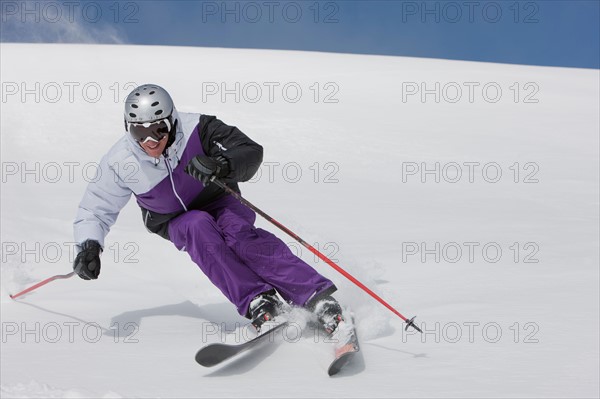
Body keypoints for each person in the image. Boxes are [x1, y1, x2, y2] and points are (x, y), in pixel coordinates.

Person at [72, 84, 344, 333]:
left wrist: (222, 164)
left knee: (239, 235)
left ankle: (314, 297)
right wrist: (89, 245)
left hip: (220, 200)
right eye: (139, 132)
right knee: (198, 228)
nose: (150, 141)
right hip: (174, 218)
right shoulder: (120, 161)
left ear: (172, 120)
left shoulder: (199, 129)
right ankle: (259, 301)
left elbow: (249, 150)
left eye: (158, 130)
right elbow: (96, 206)